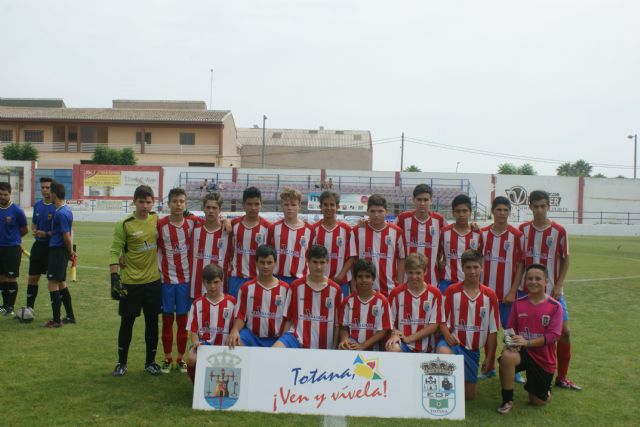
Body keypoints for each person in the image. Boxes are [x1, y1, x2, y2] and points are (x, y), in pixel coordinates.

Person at [519, 190, 580, 390]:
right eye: (535, 206)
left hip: (552, 292)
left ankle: (561, 377)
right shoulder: (523, 230)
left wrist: (560, 284)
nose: (539, 210)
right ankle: (528, 373)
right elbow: (519, 260)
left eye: (542, 206)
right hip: (527, 293)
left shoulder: (559, 231)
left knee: (565, 332)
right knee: (529, 334)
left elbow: (566, 258)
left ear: (548, 207)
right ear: (530, 207)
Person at [109, 185, 162, 376]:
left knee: (152, 323)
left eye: (149, 202)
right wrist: (114, 278)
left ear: (153, 203)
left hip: (153, 282)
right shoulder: (125, 223)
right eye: (141, 202)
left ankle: (150, 362)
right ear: (134, 202)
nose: (145, 206)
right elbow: (115, 251)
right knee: (127, 323)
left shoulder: (157, 221)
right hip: (130, 282)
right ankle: (121, 363)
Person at [496, 264, 563, 414]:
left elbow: (554, 336)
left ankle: (544, 388)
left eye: (538, 278)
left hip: (544, 358)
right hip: (522, 354)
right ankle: (507, 400)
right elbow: (509, 329)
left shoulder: (555, 306)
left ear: (546, 281)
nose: (533, 282)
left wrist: (527, 342)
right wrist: (510, 343)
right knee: (507, 356)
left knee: (537, 401)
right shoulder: (519, 304)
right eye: (530, 278)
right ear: (525, 281)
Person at [436, 250, 499, 400]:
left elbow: (493, 330)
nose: (472, 271)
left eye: (476, 267)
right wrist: (447, 336)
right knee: (443, 352)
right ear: (462, 268)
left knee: (468, 397)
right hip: (453, 344)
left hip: (472, 350)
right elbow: (441, 320)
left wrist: (489, 358)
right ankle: (442, 388)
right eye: (468, 267)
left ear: (482, 268)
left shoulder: (489, 295)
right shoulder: (451, 291)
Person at [477, 196, 524, 380]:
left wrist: (513, 290)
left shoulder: (517, 235)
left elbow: (521, 264)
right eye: (499, 210)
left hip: (508, 295)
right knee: (490, 331)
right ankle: (489, 368)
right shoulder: (482, 234)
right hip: (488, 294)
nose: (502, 213)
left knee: (511, 331)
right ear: (492, 211)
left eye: (506, 210)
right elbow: (477, 260)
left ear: (509, 212)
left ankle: (516, 369)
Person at [157, 187, 202, 374]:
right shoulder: (159, 225)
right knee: (167, 321)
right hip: (166, 281)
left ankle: (181, 359)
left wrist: (225, 220)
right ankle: (167, 358)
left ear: (185, 204)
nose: (178, 204)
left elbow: (213, 220)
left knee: (183, 322)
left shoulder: (192, 223)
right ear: (168, 204)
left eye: (181, 201)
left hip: (186, 282)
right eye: (175, 201)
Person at [274, 245, 343, 349]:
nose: (318, 267)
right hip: (297, 338)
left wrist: (334, 346)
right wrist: (283, 340)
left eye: (322, 262)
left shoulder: (336, 290)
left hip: (324, 343)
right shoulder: (296, 286)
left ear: (327, 262)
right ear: (307, 262)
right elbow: (288, 318)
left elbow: (338, 324)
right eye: (315, 262)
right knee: (276, 350)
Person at [226, 245, 289, 347]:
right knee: (235, 342)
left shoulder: (285, 289)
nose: (265, 266)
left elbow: (288, 319)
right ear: (256, 263)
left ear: (275, 263)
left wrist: (284, 337)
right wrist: (235, 330)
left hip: (276, 338)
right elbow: (241, 316)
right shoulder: (246, 288)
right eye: (262, 262)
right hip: (252, 336)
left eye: (269, 263)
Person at [185, 263, 236, 383]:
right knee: (192, 359)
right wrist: (196, 343)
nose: (212, 286)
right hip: (204, 345)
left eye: (216, 282)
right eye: (209, 283)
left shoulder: (232, 302)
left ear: (222, 281)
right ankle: (197, 386)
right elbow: (193, 329)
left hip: (226, 345)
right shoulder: (197, 304)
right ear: (203, 282)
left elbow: (236, 325)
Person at [349, 194, 405, 298]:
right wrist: (353, 285)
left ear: (386, 211)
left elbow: (401, 258)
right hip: (363, 289)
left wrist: (400, 283)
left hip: (389, 289)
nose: (376, 214)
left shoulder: (397, 232)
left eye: (380, 211)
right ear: (367, 211)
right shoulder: (357, 231)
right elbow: (353, 260)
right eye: (372, 211)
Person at [385, 253, 443, 353]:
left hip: (427, 346)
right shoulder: (396, 293)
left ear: (425, 272)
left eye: (418, 273)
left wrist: (410, 338)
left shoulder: (435, 293)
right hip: (402, 343)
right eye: (410, 273)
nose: (414, 276)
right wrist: (394, 333)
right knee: (392, 348)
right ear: (406, 272)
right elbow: (390, 321)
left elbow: (434, 325)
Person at [394, 184, 447, 286]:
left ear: (431, 200)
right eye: (419, 199)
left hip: (432, 279)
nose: (422, 203)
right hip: (406, 278)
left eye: (426, 200)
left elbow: (450, 237)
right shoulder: (402, 219)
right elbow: (388, 233)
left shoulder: (439, 220)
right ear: (413, 200)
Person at [338, 259, 392, 351]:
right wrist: (344, 339)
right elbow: (344, 327)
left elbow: (383, 331)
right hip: (353, 344)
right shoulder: (348, 301)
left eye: (367, 277)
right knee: (344, 348)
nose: (364, 280)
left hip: (375, 348)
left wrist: (363, 345)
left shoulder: (382, 301)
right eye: (360, 276)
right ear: (355, 279)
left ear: (373, 279)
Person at [22, 177, 57, 318]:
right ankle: (30, 309)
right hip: (38, 247)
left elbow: (62, 231)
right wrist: (35, 230)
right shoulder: (37, 205)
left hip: (52, 248)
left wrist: (46, 233)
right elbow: (34, 223)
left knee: (54, 281)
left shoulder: (57, 206)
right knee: (32, 278)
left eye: (48, 187)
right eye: (42, 187)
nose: (45, 190)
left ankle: (57, 315)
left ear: (52, 189)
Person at [228, 187, 271, 298]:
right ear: (243, 204)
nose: (253, 208)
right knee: (235, 313)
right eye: (249, 204)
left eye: (257, 204)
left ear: (261, 204)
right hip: (236, 279)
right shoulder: (233, 225)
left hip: (258, 280)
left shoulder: (268, 228)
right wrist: (224, 220)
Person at [43, 182, 76, 328]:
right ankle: (70, 316)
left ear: (55, 194)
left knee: (52, 284)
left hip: (58, 251)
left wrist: (70, 252)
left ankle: (56, 321)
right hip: (60, 251)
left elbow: (67, 236)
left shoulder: (61, 213)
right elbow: (70, 232)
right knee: (61, 283)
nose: (47, 194)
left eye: (50, 192)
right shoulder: (65, 210)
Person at [268, 188, 315, 285]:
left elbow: (311, 255)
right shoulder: (273, 228)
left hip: (300, 279)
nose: (289, 208)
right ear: (281, 205)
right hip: (277, 278)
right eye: (286, 204)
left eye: (293, 205)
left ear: (299, 206)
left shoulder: (309, 230)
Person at [189, 193, 232, 300]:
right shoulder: (194, 229)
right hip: (196, 287)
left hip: (219, 289)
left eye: (214, 208)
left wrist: (226, 220)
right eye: (208, 207)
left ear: (220, 209)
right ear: (203, 209)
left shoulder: (228, 231)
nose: (211, 211)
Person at [312, 190, 353, 297]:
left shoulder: (346, 229)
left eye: (332, 204)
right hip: (317, 281)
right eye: (325, 205)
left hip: (340, 281)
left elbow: (352, 256)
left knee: (339, 312)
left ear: (337, 207)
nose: (328, 208)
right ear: (320, 207)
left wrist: (341, 275)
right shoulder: (313, 229)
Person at [438, 194, 481, 295]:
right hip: (447, 282)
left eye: (465, 211)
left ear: (470, 212)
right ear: (453, 213)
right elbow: (436, 256)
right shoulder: (444, 232)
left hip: (471, 283)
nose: (461, 214)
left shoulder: (478, 234)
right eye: (458, 211)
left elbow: (481, 258)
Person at [0, 181, 28, 317]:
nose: (2, 197)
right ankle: (4, 306)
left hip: (12, 249)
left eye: (5, 194)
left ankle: (10, 307)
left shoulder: (16, 210)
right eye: (0, 194)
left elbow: (24, 229)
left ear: (10, 194)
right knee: (1, 278)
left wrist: (14, 239)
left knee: (11, 278)